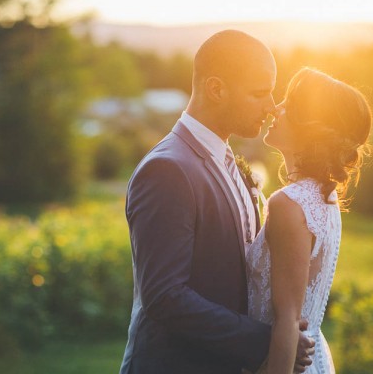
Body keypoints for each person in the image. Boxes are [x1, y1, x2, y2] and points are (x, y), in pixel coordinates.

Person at [119, 30, 314, 374]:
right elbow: (165, 296)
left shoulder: (227, 160)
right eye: (260, 94)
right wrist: (265, 341)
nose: (271, 107)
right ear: (216, 89)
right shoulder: (167, 169)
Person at [246, 67, 373, 373]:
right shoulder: (324, 199)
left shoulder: (290, 204)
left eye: (288, 104)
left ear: (310, 127)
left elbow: (287, 321)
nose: (276, 108)